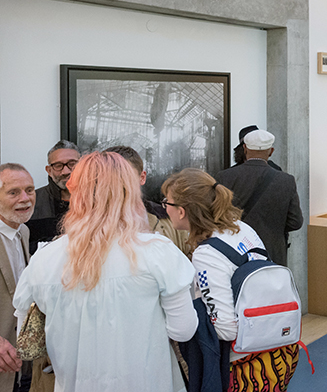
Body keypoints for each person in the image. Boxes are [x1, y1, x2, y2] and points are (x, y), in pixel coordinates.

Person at [13, 152, 197, 392]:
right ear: (129, 192)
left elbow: (25, 334)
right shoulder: (158, 252)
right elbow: (183, 330)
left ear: (75, 194)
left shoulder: (45, 258)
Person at [161, 168, 300, 391]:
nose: (164, 207)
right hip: (276, 353)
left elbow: (225, 329)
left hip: (243, 367)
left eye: (167, 202)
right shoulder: (241, 228)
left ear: (182, 211)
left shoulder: (207, 254)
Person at [215, 129, 303, 267]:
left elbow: (217, 215)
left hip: (235, 250)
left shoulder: (225, 177)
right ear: (271, 151)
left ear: (244, 148)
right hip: (272, 253)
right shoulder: (286, 180)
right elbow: (295, 222)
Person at [104, 145, 190, 255]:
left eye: (126, 176)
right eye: (109, 177)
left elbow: (191, 262)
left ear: (142, 177)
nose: (117, 184)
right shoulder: (88, 225)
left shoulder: (171, 219)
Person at [0, 164, 35, 392]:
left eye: (30, 190)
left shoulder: (23, 231)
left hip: (18, 364)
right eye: (13, 192)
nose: (25, 199)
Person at [30, 140, 80, 254]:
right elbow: (22, 246)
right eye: (58, 166)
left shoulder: (97, 199)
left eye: (72, 164)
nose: (65, 171)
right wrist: (54, 242)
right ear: (49, 170)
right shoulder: (32, 201)